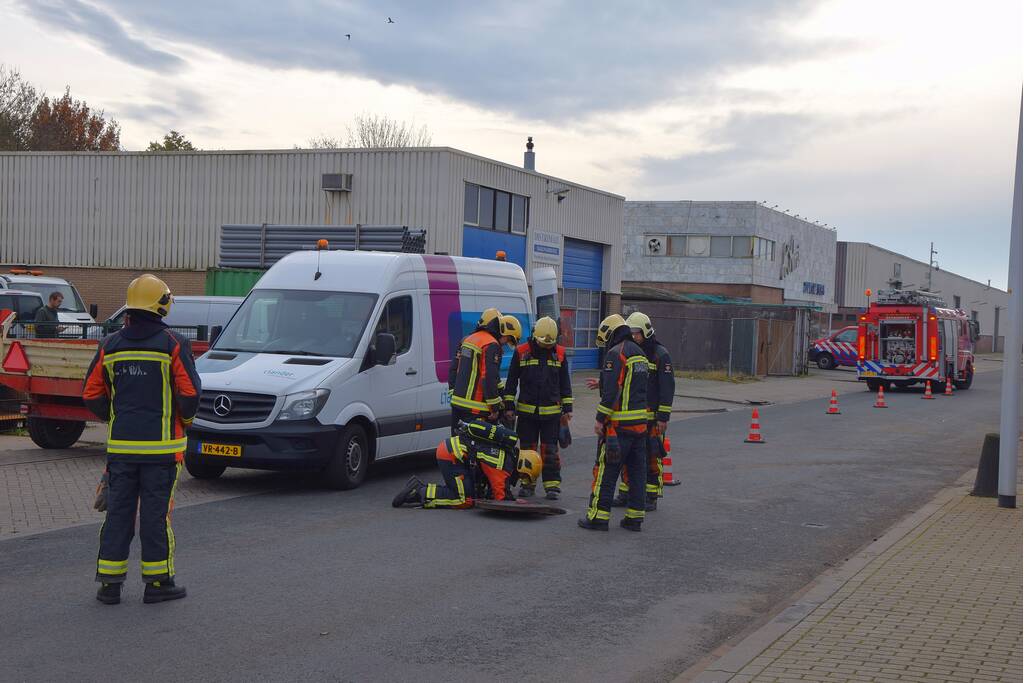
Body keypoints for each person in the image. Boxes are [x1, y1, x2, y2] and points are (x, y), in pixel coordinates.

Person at [83, 274, 201, 605]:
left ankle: (109, 585)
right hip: (163, 452)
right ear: (162, 305)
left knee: (118, 514)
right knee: (155, 516)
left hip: (122, 450)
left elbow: (91, 393)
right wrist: (184, 423)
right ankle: (158, 584)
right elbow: (190, 395)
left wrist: (115, 417)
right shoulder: (173, 344)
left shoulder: (109, 346)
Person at [579, 314, 649, 532]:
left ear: (609, 333)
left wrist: (600, 419)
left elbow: (612, 392)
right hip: (640, 426)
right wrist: (603, 381)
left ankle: (598, 518)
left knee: (606, 472)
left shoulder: (616, 353)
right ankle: (634, 519)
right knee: (637, 474)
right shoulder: (640, 353)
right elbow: (630, 385)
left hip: (618, 427)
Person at [503, 316, 573, 500]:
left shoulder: (559, 353)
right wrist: (509, 406)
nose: (547, 347)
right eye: (544, 344)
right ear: (535, 337)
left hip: (552, 414)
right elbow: (511, 381)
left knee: (550, 450)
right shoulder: (522, 352)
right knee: (527, 451)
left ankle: (552, 485)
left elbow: (565, 382)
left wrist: (568, 407)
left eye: (550, 344)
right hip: (527, 414)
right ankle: (527, 484)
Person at [392, 419, 535, 508]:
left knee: (466, 492)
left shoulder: (507, 455)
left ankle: (421, 489)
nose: (520, 479)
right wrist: (516, 502)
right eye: (524, 476)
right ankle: (420, 492)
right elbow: (500, 496)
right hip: (451, 455)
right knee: (464, 500)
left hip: (452, 451)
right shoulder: (503, 465)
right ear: (523, 465)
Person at [613, 312, 675, 510]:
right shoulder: (632, 352)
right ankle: (625, 493)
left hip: (653, 418)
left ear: (646, 332)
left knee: (652, 457)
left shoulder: (660, 355)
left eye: (637, 333)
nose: (634, 337)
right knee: (628, 456)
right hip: (634, 417)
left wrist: (663, 417)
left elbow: (667, 388)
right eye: (631, 333)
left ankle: (651, 495)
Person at [448, 308, 505, 433]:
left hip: (457, 404)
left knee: (457, 442)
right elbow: (488, 377)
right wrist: (495, 407)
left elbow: (454, 369)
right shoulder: (490, 343)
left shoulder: (466, 340)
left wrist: (453, 392)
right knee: (474, 443)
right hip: (475, 409)